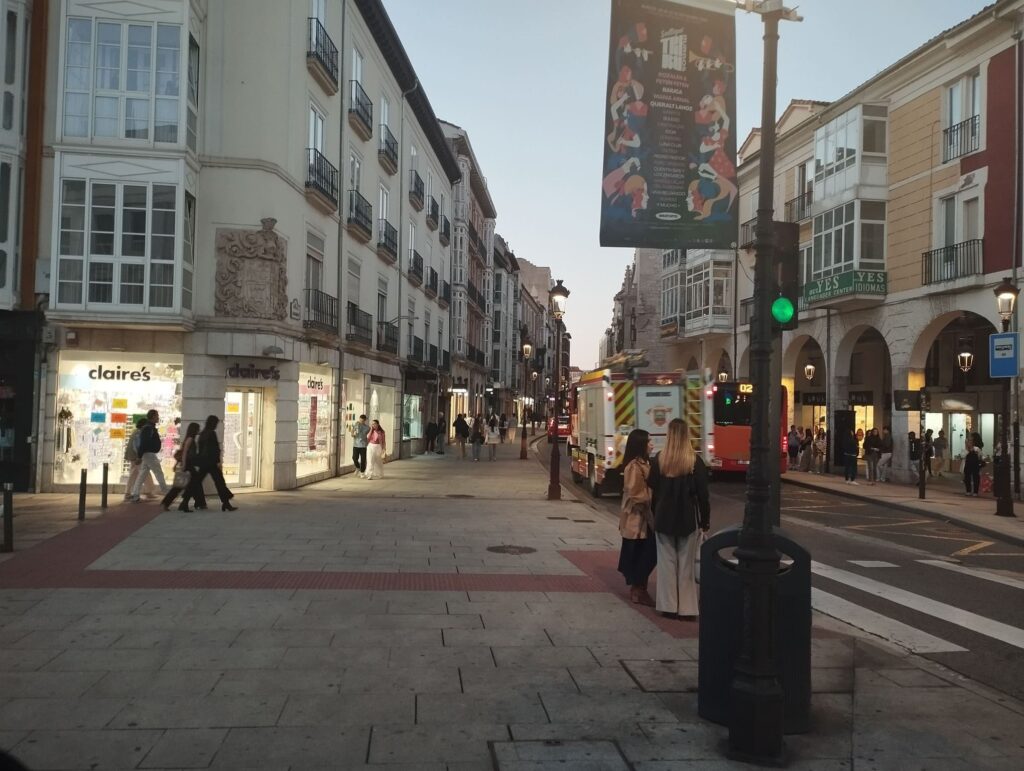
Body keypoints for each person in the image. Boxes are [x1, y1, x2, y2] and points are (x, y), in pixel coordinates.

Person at [648, 418, 710, 620]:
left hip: (664, 517)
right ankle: (687, 608)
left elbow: (654, 491)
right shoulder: (694, 461)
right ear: (686, 435)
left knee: (666, 563)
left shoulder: (660, 460)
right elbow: (703, 494)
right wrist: (705, 521)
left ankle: (668, 605)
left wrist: (654, 514)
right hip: (687, 519)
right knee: (686, 565)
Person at [618, 428, 657, 607]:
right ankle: (638, 589)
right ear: (640, 444)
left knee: (645, 554)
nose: (652, 444)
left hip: (643, 519)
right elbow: (635, 493)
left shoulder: (644, 463)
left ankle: (640, 588)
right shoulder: (634, 466)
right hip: (637, 520)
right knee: (646, 554)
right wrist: (654, 498)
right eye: (649, 441)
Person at [192, 415, 237, 511]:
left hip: (204, 463)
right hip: (211, 463)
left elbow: (200, 450)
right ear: (213, 424)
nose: (217, 425)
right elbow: (215, 450)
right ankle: (226, 503)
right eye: (216, 423)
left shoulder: (203, 434)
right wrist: (218, 462)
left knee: (197, 481)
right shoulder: (211, 433)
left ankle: (194, 501)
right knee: (220, 483)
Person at [160, 422, 205, 512]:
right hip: (188, 465)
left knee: (192, 484)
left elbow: (183, 452)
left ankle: (196, 503)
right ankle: (171, 503)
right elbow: (184, 453)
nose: (199, 430)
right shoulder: (190, 439)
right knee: (182, 485)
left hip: (189, 464)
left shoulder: (188, 439)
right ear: (194, 430)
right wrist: (183, 464)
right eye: (198, 429)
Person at [129, 409, 168, 502]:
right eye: (157, 415)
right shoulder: (148, 428)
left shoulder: (148, 427)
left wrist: (140, 455)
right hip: (149, 454)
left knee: (142, 474)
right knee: (159, 473)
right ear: (153, 416)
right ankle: (167, 493)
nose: (158, 417)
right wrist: (139, 456)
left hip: (147, 454)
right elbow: (144, 443)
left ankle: (135, 494)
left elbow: (144, 443)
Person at [124, 417, 155, 500]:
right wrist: (139, 456)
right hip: (136, 457)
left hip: (133, 456)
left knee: (137, 473)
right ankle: (147, 492)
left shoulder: (135, 432)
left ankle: (147, 491)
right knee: (142, 473)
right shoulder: (139, 433)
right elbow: (137, 446)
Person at [963, 432, 983, 497]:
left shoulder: (976, 449)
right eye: (968, 441)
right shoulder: (965, 449)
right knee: (967, 478)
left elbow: (981, 455)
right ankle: (968, 491)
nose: (969, 442)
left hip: (975, 465)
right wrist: (968, 450)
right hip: (968, 465)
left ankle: (975, 492)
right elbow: (963, 455)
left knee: (976, 478)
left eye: (971, 441)